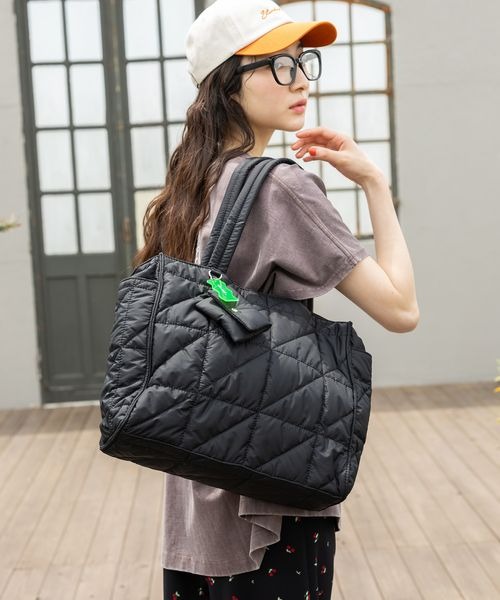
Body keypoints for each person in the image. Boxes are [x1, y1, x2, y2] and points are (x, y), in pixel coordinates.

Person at [132, 1, 419, 598]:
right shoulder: (282, 188)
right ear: (228, 85)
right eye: (279, 65)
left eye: (302, 62)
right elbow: (400, 309)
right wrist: (374, 182)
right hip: (268, 496)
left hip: (194, 501)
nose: (301, 80)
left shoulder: (186, 192)